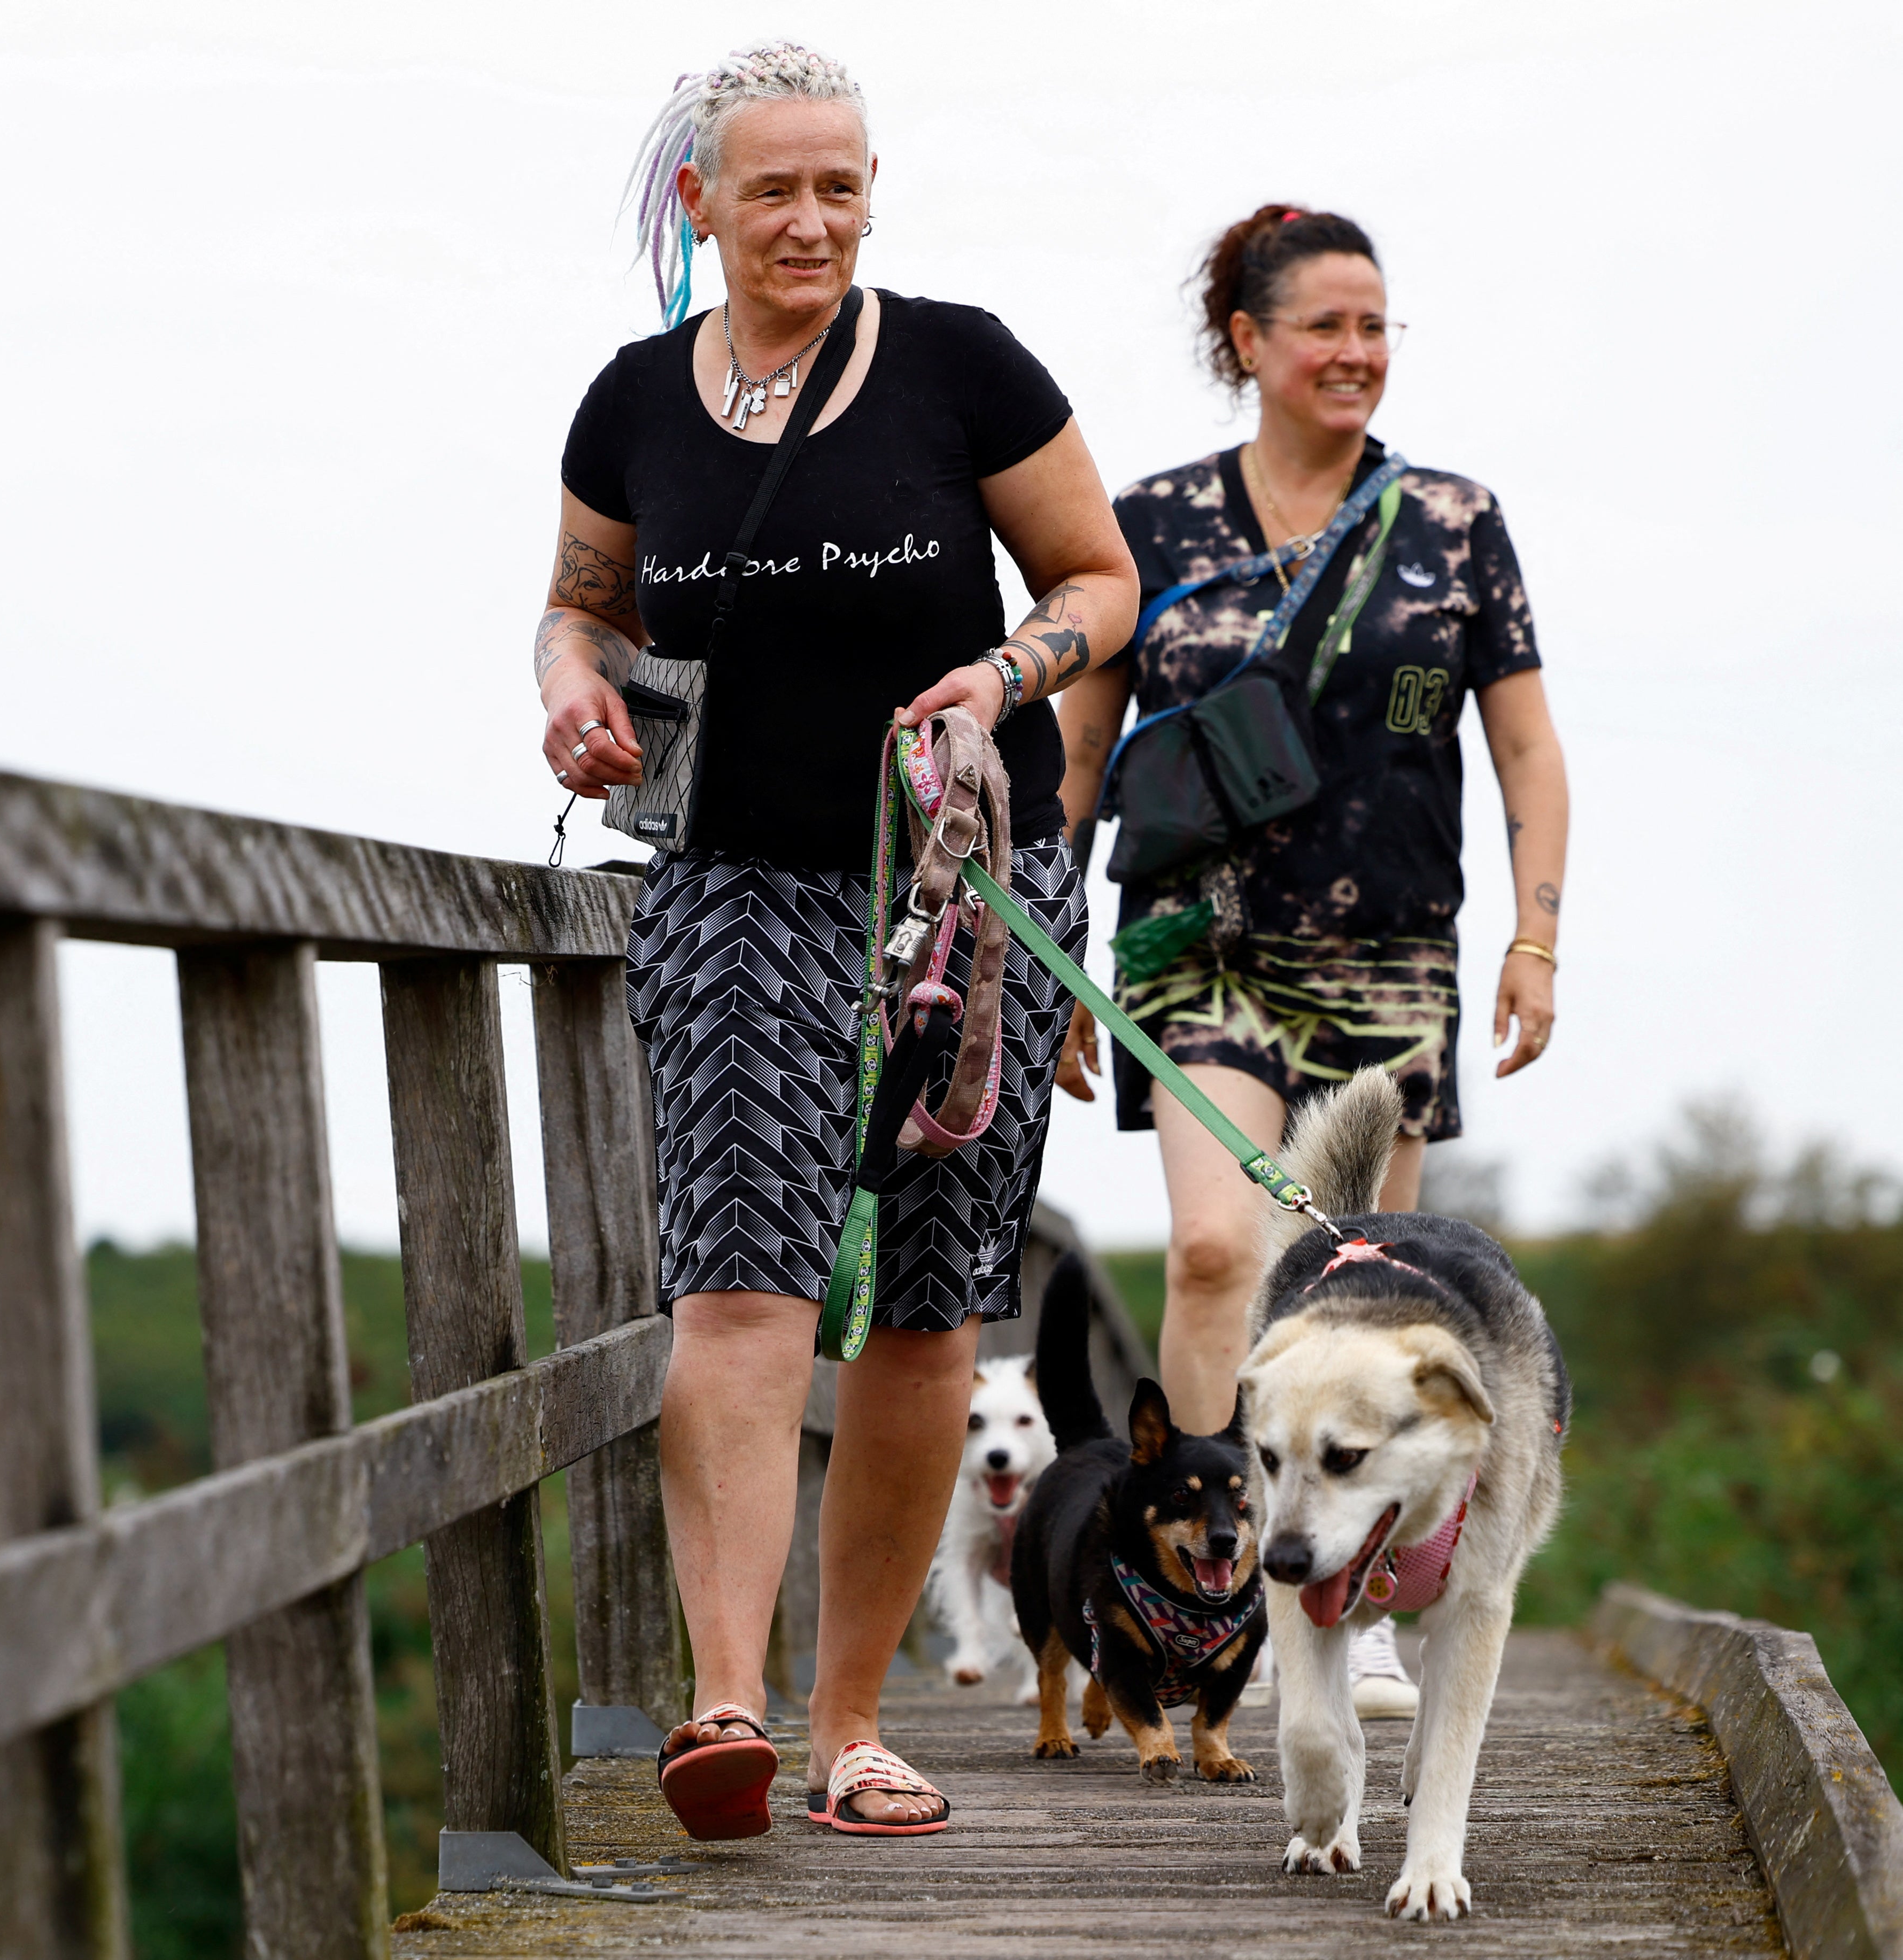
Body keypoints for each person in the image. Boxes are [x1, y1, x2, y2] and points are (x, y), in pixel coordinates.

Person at [537, 43, 1138, 1835]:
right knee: (738, 1282)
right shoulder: (633, 400)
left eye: (841, 185)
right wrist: (570, 690)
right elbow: (580, 601)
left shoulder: (960, 364)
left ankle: (852, 1721)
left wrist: (1007, 668)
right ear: (698, 204)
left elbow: (1099, 584)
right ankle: (722, 1699)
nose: (811, 218)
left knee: (934, 1308)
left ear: (872, 192)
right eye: (774, 188)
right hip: (738, 879)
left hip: (965, 889)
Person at [1053, 204, 1571, 1717]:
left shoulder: (1455, 523)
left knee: (1366, 1291)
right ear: (1247, 345)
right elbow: (1082, 749)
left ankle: (1374, 1592)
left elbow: (1526, 746)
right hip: (1186, 941)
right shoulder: (1147, 525)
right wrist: (1050, 953)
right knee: (1221, 1249)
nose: (1355, 353)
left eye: (1374, 326)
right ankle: (1202, 1577)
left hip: (1387, 949)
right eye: (1324, 327)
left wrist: (1536, 932)